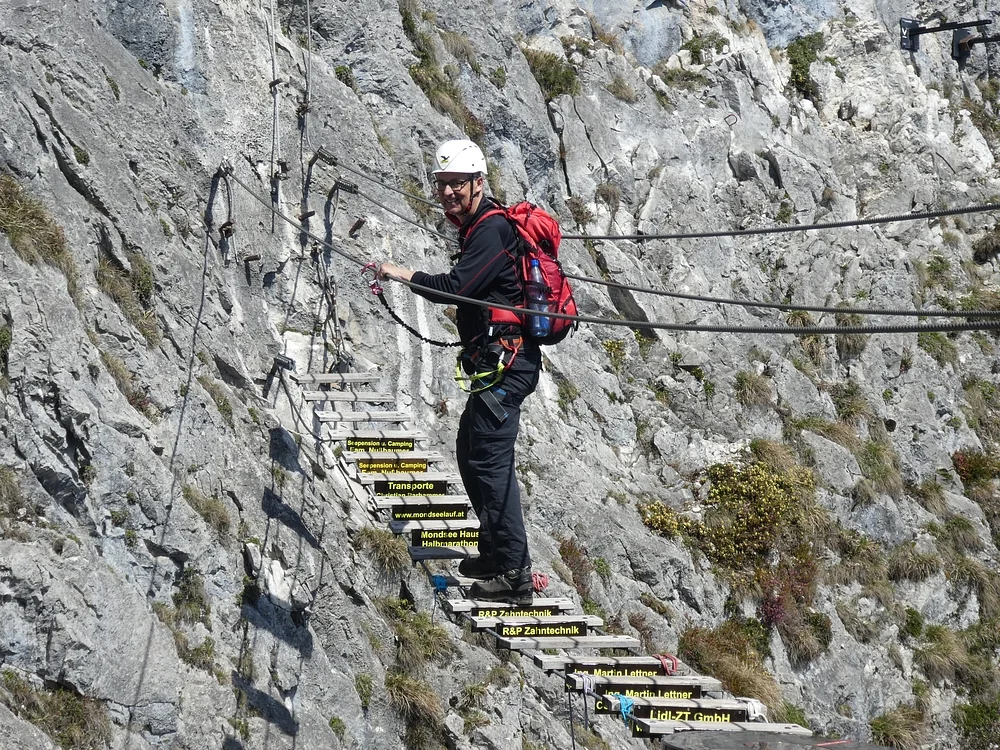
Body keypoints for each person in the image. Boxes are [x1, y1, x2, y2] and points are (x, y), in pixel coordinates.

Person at [377, 139, 540, 605]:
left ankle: (513, 574)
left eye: (456, 184)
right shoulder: (481, 228)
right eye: (442, 184)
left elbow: (457, 288)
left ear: (478, 183)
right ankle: (493, 554)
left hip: (507, 365)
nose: (447, 193)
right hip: (498, 363)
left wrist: (400, 273)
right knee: (471, 448)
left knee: (489, 462)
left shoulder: (490, 230)